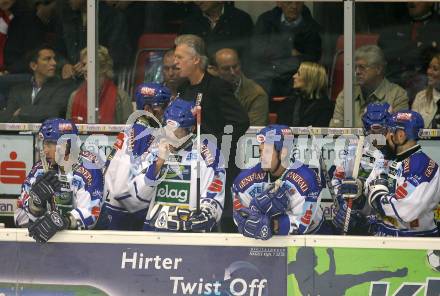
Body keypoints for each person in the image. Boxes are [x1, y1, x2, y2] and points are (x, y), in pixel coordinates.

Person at [174, 34, 250, 232]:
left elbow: (241, 121)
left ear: (196, 59)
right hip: (189, 168)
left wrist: (217, 147)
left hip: (218, 169)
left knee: (220, 219)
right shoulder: (182, 89)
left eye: (180, 57)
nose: (175, 62)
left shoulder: (217, 87)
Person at [142, 98, 226, 232]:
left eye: (177, 131)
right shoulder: (153, 146)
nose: (170, 136)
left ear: (191, 129)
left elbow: (214, 194)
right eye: (168, 129)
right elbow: (140, 194)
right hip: (154, 229)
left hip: (190, 232)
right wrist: (158, 162)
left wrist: (204, 215)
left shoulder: (208, 152)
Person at [14, 118, 104, 243]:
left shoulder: (88, 169)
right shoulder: (39, 170)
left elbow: (91, 214)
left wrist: (65, 221)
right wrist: (35, 205)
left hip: (82, 246)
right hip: (43, 247)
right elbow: (19, 219)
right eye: (44, 144)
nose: (45, 150)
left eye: (50, 144)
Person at [232, 124, 324, 240]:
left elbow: (301, 226)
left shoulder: (307, 179)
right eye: (260, 151)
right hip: (262, 243)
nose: (261, 157)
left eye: (267, 151)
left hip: (313, 240)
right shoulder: (245, 180)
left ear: (283, 152)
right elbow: (239, 218)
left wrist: (270, 224)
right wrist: (250, 221)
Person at [102, 83, 172, 230]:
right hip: (122, 216)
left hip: (117, 210)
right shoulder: (140, 134)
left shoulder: (141, 130)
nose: (167, 111)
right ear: (147, 109)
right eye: (163, 106)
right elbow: (121, 189)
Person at [365, 110, 440, 237]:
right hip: (384, 234)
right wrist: (359, 191)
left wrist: (378, 198)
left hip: (415, 242)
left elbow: (407, 209)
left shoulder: (423, 166)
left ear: (400, 135)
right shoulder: (388, 158)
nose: (385, 137)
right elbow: (369, 187)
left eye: (388, 131)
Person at [330, 103, 392, 235]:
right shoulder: (353, 151)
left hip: (389, 224)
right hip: (358, 222)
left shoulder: (398, 155)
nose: (376, 136)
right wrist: (343, 205)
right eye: (372, 131)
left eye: (381, 131)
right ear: (366, 128)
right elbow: (337, 179)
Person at [250, 2, 322, 97]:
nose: (294, 6)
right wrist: (288, 51)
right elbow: (256, 50)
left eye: (298, 3)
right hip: (265, 74)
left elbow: (313, 60)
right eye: (289, 2)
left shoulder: (311, 27)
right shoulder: (266, 20)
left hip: (294, 77)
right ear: (280, 2)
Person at [330, 45, 409, 128]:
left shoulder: (397, 95)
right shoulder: (346, 94)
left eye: (362, 67)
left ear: (378, 69)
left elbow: (399, 134)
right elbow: (335, 131)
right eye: (355, 67)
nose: (357, 72)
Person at [378, 2, 440, 102]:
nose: (411, 2)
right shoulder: (396, 23)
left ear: (431, 2)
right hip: (395, 78)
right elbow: (384, 51)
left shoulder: (437, 26)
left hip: (426, 82)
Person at [54, 0, 131, 79]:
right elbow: (56, 50)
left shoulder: (114, 18)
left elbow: (118, 56)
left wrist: (92, 62)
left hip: (98, 82)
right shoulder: (66, 17)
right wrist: (63, 65)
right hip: (68, 82)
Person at [0, 44, 76, 123]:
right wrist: (38, 114)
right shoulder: (17, 90)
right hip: (19, 135)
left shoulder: (64, 87)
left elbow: (55, 112)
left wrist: (22, 111)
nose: (54, 63)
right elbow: (6, 118)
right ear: (33, 66)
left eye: (54, 59)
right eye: (47, 59)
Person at [66, 46, 133, 124]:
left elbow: (129, 133)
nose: (85, 69)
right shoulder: (74, 97)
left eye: (90, 64)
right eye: (84, 64)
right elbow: (68, 132)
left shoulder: (121, 97)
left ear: (103, 68)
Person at [212, 48, 268, 126]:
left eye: (235, 67)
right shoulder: (207, 85)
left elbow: (253, 130)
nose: (232, 72)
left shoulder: (256, 94)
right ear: (216, 70)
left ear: (240, 64)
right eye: (226, 69)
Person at [179, 2, 253, 61]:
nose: (198, 2)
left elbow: (249, 54)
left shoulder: (241, 19)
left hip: (231, 72)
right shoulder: (190, 22)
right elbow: (180, 53)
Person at [277, 61, 333, 127]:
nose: (294, 76)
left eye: (298, 73)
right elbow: (279, 129)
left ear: (309, 79)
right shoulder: (289, 102)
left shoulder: (325, 107)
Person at [412, 51, 440, 128]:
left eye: (435, 69)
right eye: (429, 67)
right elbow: (413, 131)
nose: (428, 71)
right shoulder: (420, 97)